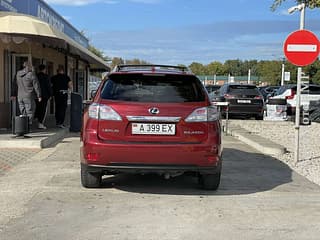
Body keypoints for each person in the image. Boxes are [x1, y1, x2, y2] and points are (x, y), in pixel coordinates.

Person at [11, 61, 42, 127]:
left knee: (23, 112)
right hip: (28, 96)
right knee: (30, 111)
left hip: (20, 96)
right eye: (32, 66)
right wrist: (39, 96)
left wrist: (13, 94)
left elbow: (14, 84)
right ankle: (27, 126)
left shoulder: (18, 73)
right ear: (29, 66)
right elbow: (36, 86)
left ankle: (23, 126)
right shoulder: (31, 74)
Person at [34, 64, 52, 129]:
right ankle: (40, 123)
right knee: (43, 109)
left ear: (39, 69)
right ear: (44, 69)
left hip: (37, 95)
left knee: (38, 107)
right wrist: (50, 94)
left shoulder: (36, 76)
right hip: (44, 95)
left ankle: (36, 118)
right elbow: (48, 86)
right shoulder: (46, 76)